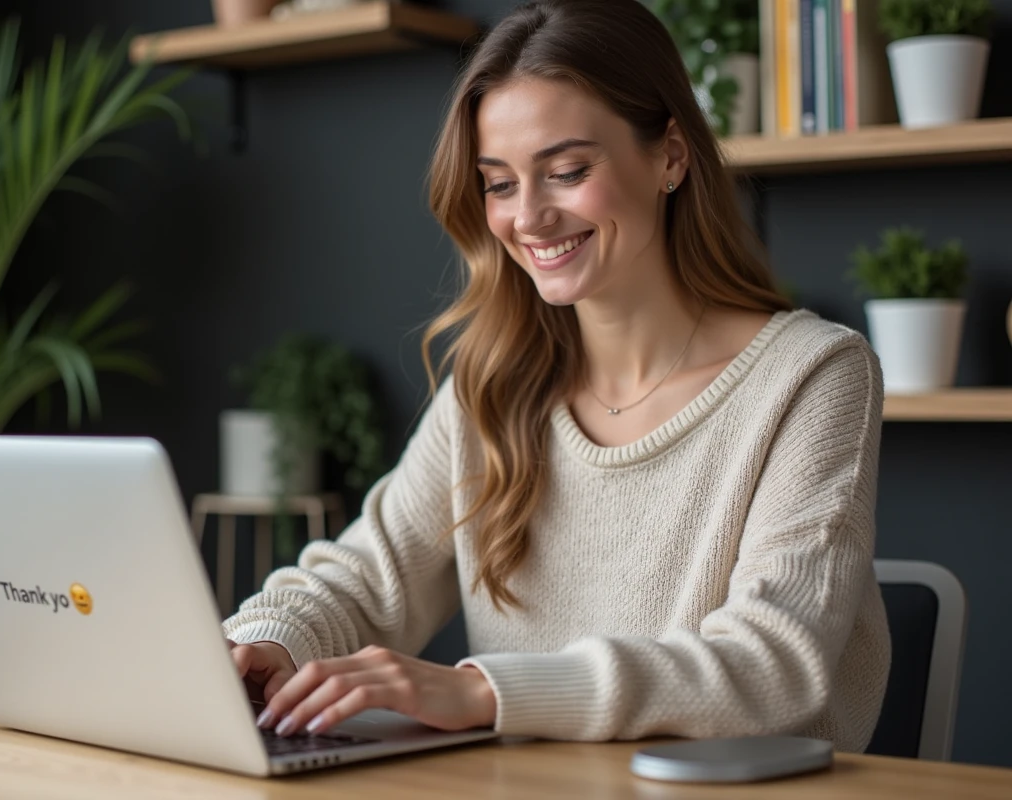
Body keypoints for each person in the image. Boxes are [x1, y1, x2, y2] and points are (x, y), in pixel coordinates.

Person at [224, 0, 891, 752]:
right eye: (499, 184)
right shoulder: (494, 383)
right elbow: (369, 576)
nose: (529, 217)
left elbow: (773, 666)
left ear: (671, 157)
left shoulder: (812, 376)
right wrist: (267, 641)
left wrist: (484, 692)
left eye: (567, 172)